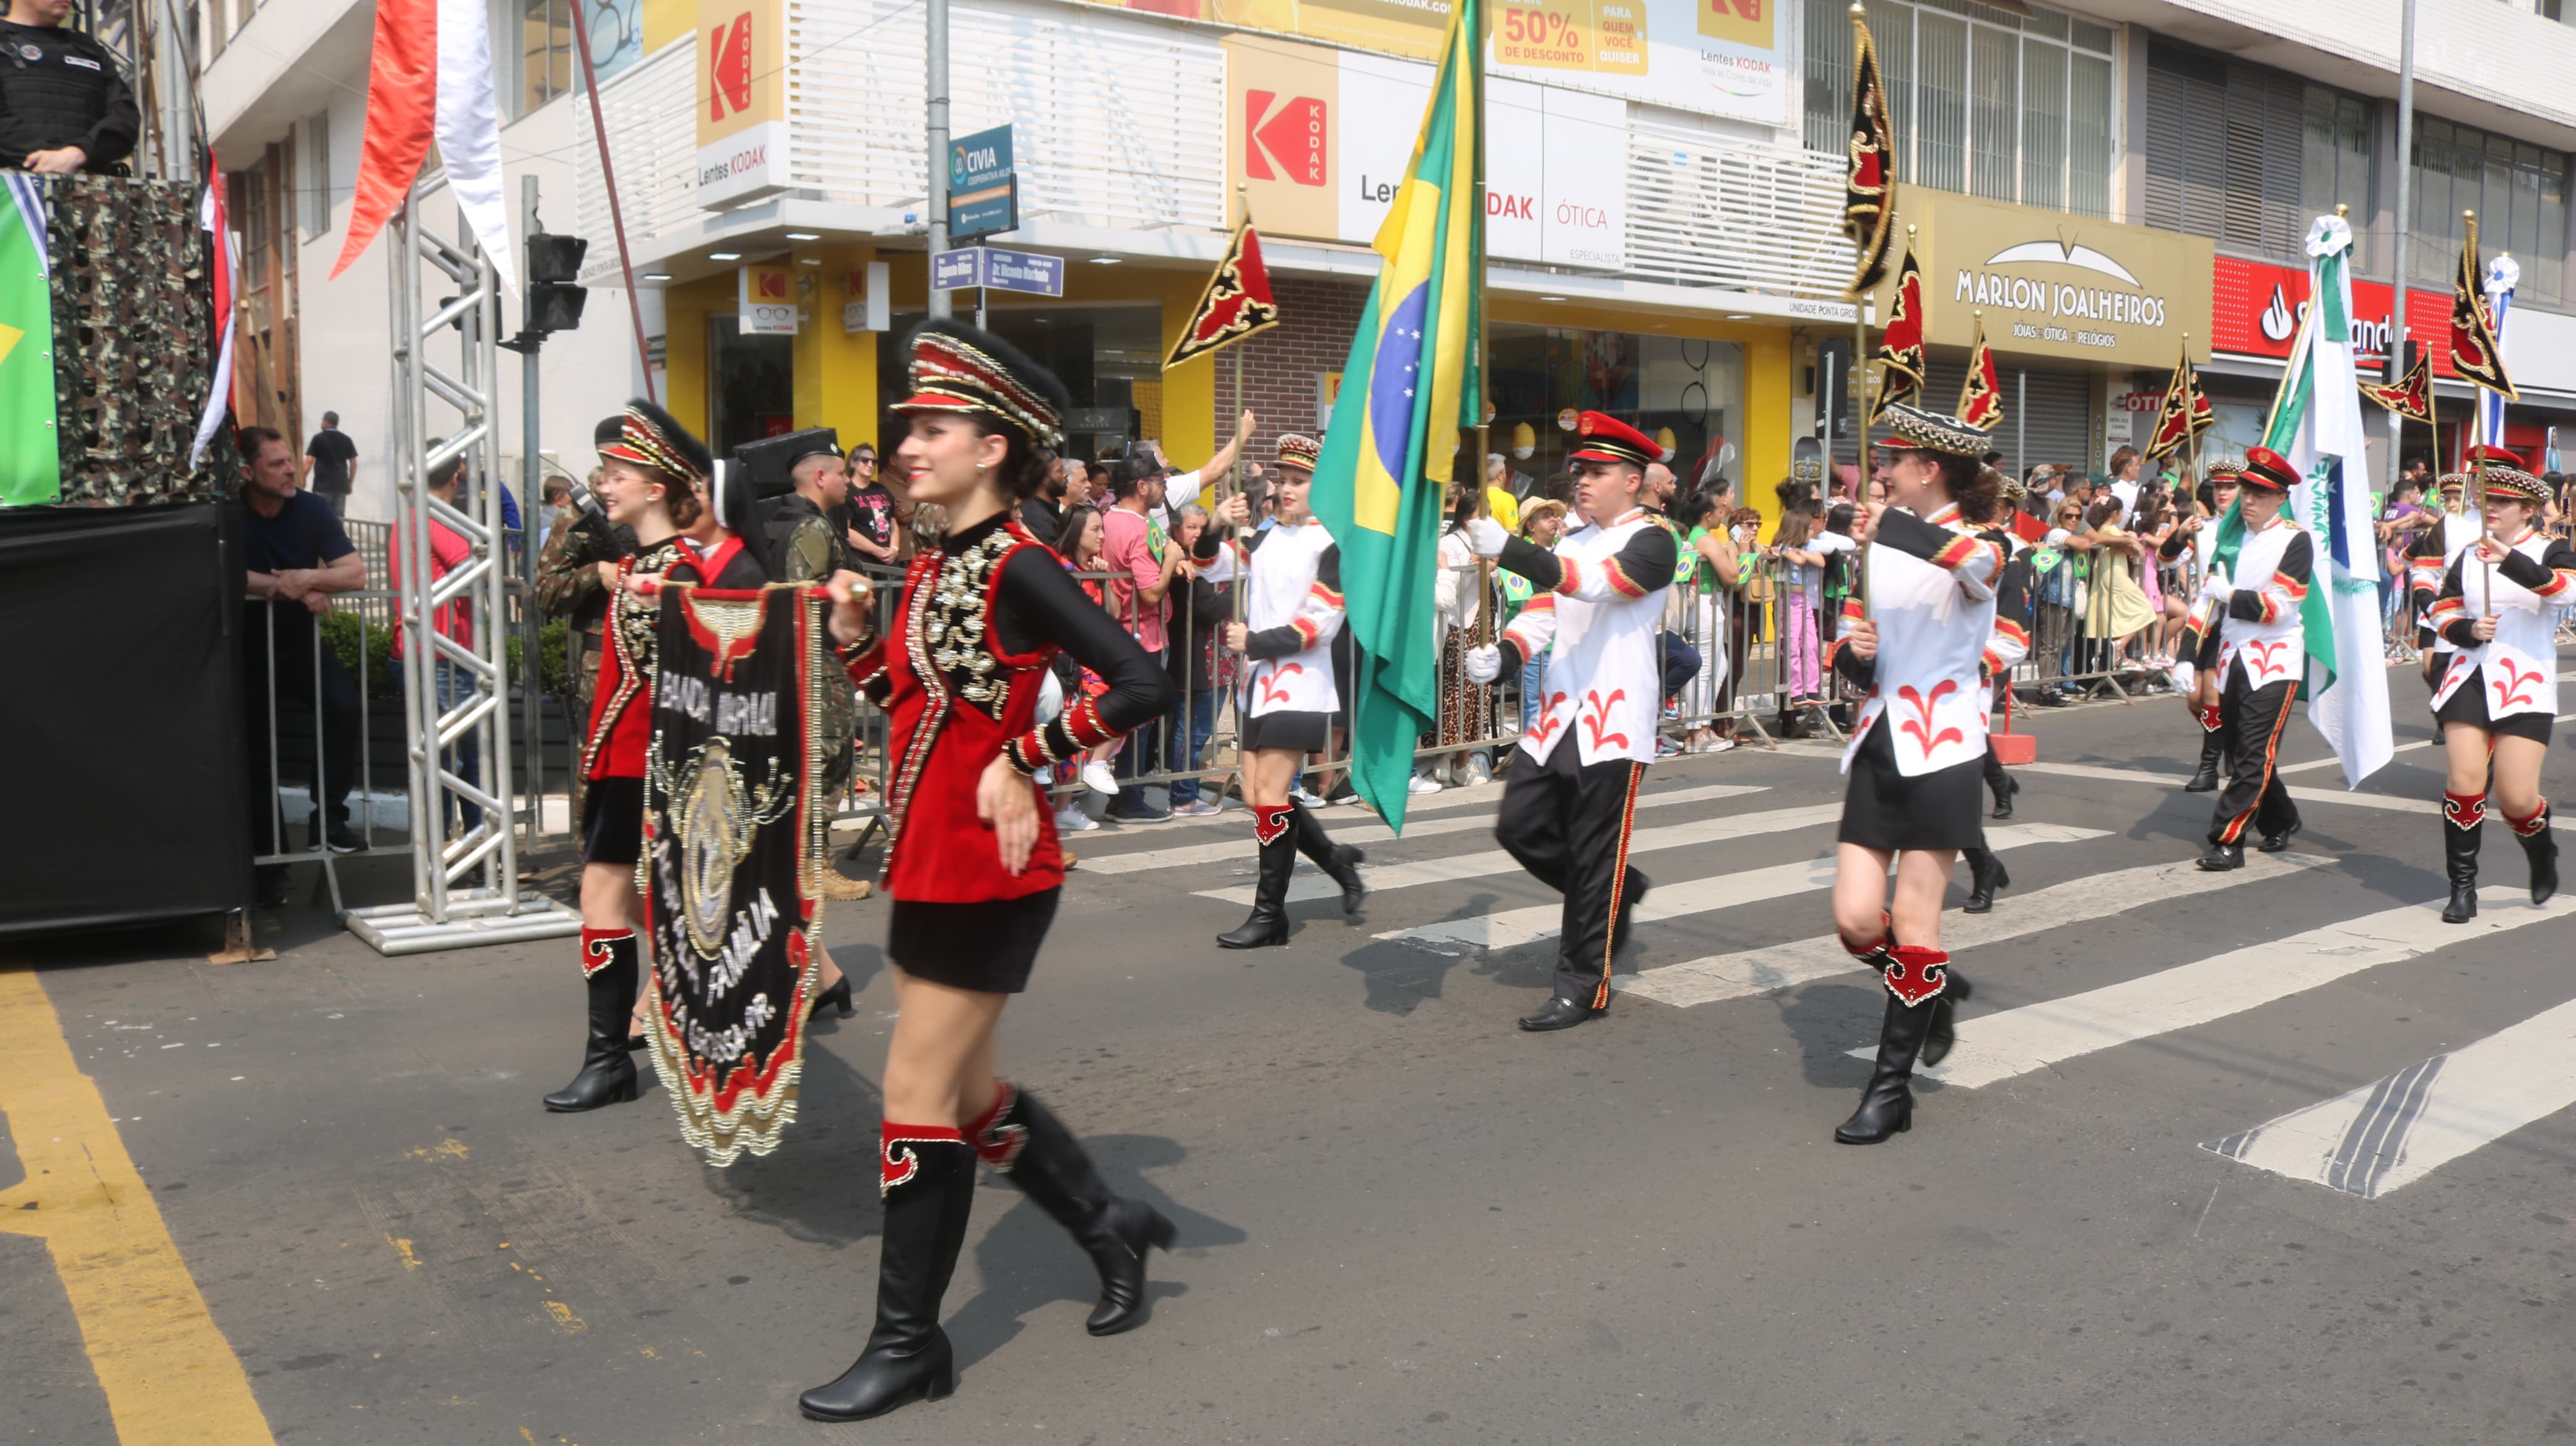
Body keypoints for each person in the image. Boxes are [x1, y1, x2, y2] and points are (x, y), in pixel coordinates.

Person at [799, 321, 1178, 1423]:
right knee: (964, 1097)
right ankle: (1110, 1225)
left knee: (915, 1098)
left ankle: (909, 1344)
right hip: (928, 857)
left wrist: (1031, 756)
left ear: (994, 447)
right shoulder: (933, 565)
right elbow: (910, 719)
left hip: (995, 870)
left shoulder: (1022, 565)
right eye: (911, 425)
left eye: (934, 427)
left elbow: (1142, 681)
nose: (908, 444)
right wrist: (864, 640)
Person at [547, 401, 768, 1116]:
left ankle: (640, 1049)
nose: (604, 482)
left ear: (657, 486)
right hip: (620, 760)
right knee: (618, 900)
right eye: (606, 471)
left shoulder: (686, 567)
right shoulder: (638, 563)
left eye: (619, 472)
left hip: (665, 766)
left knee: (680, 904)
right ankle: (612, 1056)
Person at [1818, 402, 2004, 1144]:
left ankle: (1889, 1090)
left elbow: (1975, 569)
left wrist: (1884, 528)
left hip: (1945, 748)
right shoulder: (1879, 546)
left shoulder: (1986, 541)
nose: (1880, 475)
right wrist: (1853, 652)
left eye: (1891, 463)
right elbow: (1851, 646)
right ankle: (1933, 986)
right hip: (1878, 740)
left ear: (1926, 469)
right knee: (1857, 921)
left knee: (1914, 920)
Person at [1460, 413, 1679, 1033]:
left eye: (1597, 472)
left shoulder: (1654, 541)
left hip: (1613, 716)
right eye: (1579, 469)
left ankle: (1582, 984)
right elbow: (1541, 613)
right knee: (1519, 826)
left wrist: (1512, 548)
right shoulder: (1570, 542)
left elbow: (1596, 588)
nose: (1581, 480)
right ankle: (1614, 890)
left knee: (1590, 854)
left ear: (1632, 481)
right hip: (1557, 714)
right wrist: (1502, 654)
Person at [1206, 435, 1367, 945]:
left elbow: (1319, 623)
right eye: (1286, 480)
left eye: (1300, 482)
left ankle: (1270, 914)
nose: (1288, 489)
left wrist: (1252, 640)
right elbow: (1210, 564)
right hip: (1257, 684)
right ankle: (1337, 859)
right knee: (1261, 798)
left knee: (1271, 795)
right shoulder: (1266, 537)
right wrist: (1215, 523)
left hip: (1301, 684)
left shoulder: (1334, 544)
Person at [2422, 458, 2572, 921]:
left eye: (2503, 502)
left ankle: (2540, 846)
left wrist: (2509, 560)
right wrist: (2466, 627)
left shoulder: (2553, 548)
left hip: (2525, 683)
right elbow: (2443, 606)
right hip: (2470, 674)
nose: (2491, 508)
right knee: (2464, 781)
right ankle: (2463, 888)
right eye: (2487, 499)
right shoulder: (2469, 553)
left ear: (2528, 510)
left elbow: (2567, 593)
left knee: (2516, 797)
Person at [237, 424, 368, 904]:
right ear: (248, 473)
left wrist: (307, 579)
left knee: (344, 706)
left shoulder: (310, 507)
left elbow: (354, 573)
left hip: (299, 640)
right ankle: (270, 866)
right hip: (247, 646)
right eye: (277, 464)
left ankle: (329, 821)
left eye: (291, 460)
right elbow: (218, 570)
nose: (292, 469)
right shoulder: (229, 510)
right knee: (254, 751)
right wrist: (283, 588)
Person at [2178, 446, 2309, 873]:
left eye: (2260, 493)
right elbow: (2203, 605)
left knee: (2253, 752)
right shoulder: (2229, 539)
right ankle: (2282, 817)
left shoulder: (2295, 539)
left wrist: (2228, 593)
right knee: (2243, 755)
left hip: (2274, 660)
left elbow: (2280, 608)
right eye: (2246, 490)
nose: (2248, 499)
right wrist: (2184, 657)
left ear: (2280, 497)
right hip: (2233, 658)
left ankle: (2227, 840)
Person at [534, 420, 637, 834]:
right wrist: (597, 572)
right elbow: (545, 592)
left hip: (664, 656)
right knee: (601, 765)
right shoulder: (578, 516)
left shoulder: (667, 507)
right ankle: (597, 867)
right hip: (603, 657)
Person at [391, 446, 482, 835]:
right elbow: (472, 574)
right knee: (464, 762)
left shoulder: (409, 514)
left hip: (425, 649)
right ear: (457, 475)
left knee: (443, 761)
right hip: (445, 653)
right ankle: (474, 853)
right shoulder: (434, 516)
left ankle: (445, 853)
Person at [1957, 467, 2032, 913]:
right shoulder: (1938, 538)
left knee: (1954, 782)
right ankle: (1984, 858)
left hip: (1972, 674)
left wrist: (1970, 667)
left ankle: (1982, 863)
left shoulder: (2010, 556)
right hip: (1917, 680)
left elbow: (2011, 637)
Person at [0, 0, 137, 174]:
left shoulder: (89, 49)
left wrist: (78, 153)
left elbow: (125, 117)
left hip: (83, 190)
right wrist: (47, 158)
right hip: (12, 191)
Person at [1163, 502, 1227, 817]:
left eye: (1203, 528)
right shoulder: (1183, 565)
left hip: (1219, 662)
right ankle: (1183, 795)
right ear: (1177, 530)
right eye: (1191, 527)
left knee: (1197, 731)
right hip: (1197, 663)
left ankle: (1188, 791)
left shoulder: (1210, 562)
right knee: (1192, 731)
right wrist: (1239, 583)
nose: (1198, 533)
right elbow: (1209, 610)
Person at [2406, 466, 2485, 692]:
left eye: (2455, 498)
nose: (2450, 504)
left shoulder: (2520, 524)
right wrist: (2432, 605)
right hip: (2446, 609)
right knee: (2436, 670)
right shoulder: (2449, 523)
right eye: (2475, 479)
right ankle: (2443, 721)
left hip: (2495, 619)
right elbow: (2415, 565)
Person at [840, 443, 899, 567]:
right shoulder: (846, 491)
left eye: (874, 462)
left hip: (889, 561)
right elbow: (845, 531)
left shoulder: (882, 490)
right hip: (863, 562)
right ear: (853, 463)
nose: (870, 465)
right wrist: (876, 550)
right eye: (865, 461)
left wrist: (894, 549)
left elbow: (893, 523)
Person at [303, 412, 358, 516]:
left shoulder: (318, 438)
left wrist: (303, 478)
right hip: (341, 486)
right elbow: (353, 463)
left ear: (326, 422)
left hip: (322, 487)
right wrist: (350, 483)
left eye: (322, 421)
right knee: (339, 520)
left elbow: (309, 461)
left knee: (321, 518)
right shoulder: (346, 440)